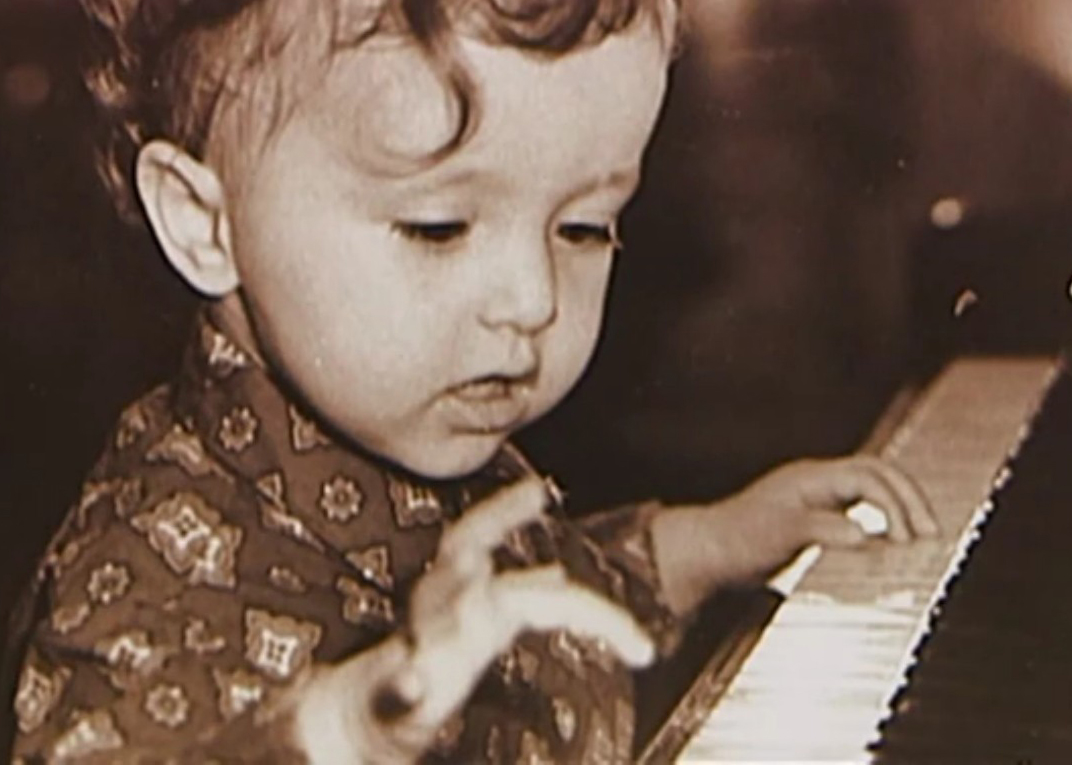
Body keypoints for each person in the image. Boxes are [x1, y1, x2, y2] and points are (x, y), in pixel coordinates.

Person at [5, 0, 938, 761]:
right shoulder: (142, 578)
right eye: (439, 227)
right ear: (204, 223)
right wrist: (346, 729)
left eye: (585, 227)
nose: (533, 299)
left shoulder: (405, 432)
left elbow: (542, 590)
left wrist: (707, 544)